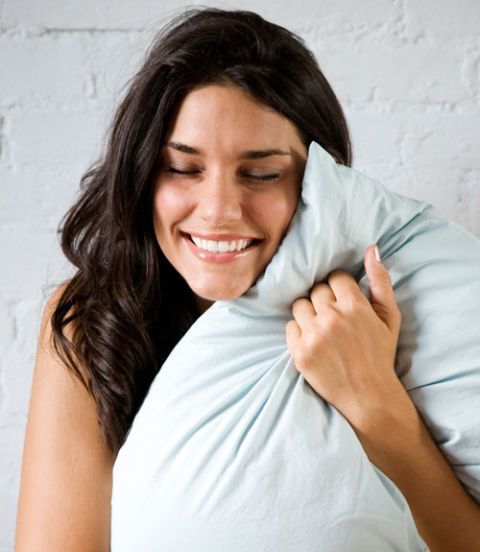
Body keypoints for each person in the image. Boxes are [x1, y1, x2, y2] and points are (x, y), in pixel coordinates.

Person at [15, 7, 480, 551]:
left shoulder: (374, 310)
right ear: (141, 173)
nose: (217, 211)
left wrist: (377, 405)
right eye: (183, 168)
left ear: (317, 181)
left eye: (261, 174)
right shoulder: (94, 318)